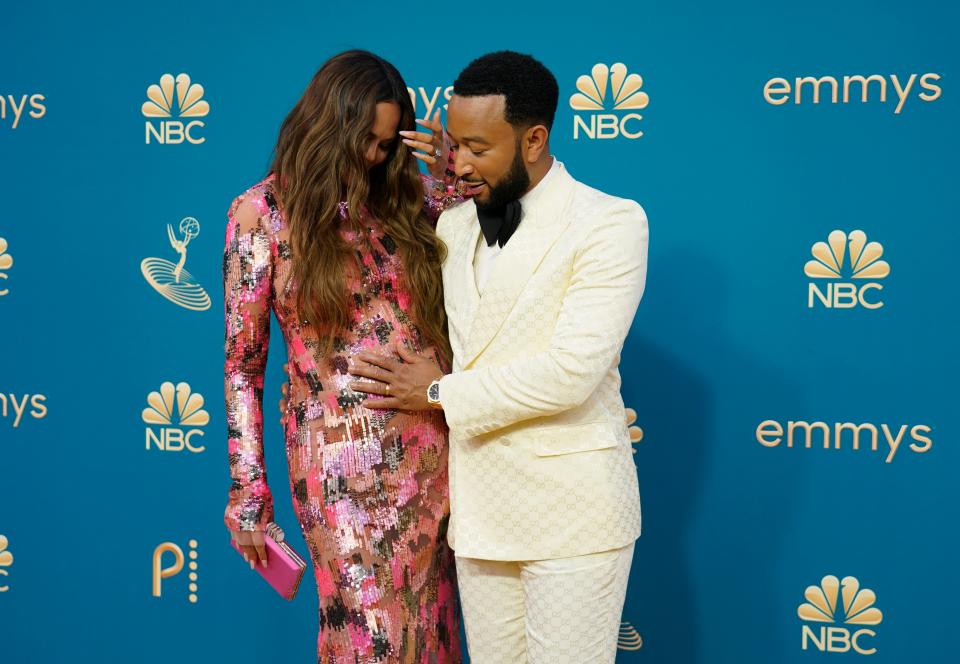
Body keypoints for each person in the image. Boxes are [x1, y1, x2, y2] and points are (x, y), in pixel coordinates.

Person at [349, 51, 648, 663]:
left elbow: (569, 373)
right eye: (452, 145)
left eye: (478, 148)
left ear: (534, 139)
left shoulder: (609, 222)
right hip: (484, 513)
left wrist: (439, 393)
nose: (458, 164)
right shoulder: (453, 227)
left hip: (573, 515)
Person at [223, 49, 462, 662]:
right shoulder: (263, 213)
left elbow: (493, 261)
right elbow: (243, 366)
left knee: (427, 634)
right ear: (327, 124)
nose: (374, 157)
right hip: (338, 466)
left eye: (387, 145)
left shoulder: (412, 201)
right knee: (369, 637)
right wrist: (249, 491)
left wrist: (458, 177)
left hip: (432, 452)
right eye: (365, 141)